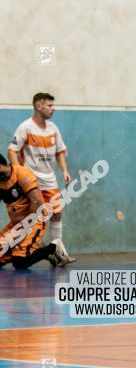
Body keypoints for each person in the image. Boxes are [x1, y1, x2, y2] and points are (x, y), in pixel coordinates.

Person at [8, 92, 74, 265]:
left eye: (53, 105)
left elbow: (60, 151)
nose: (53, 109)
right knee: (30, 217)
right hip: (31, 182)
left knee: (57, 212)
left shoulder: (53, 129)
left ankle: (58, 251)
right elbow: (12, 151)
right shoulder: (25, 127)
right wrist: (19, 173)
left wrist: (64, 170)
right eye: (50, 105)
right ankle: (21, 251)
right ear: (39, 106)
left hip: (49, 180)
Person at [0, 153, 58, 269]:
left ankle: (53, 248)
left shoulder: (21, 173)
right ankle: (27, 249)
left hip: (35, 218)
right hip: (16, 224)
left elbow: (36, 201)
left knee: (20, 262)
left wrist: (24, 229)